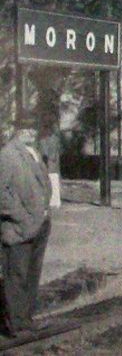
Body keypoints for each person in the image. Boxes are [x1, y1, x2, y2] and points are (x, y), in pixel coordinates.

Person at [0, 120, 53, 337]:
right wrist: (22, 217)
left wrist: (44, 213)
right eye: (25, 128)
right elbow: (1, 194)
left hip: (39, 225)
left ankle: (25, 319)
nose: (30, 132)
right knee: (16, 275)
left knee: (32, 274)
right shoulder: (7, 155)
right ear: (16, 130)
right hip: (18, 228)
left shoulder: (34, 153)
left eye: (33, 128)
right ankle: (14, 322)